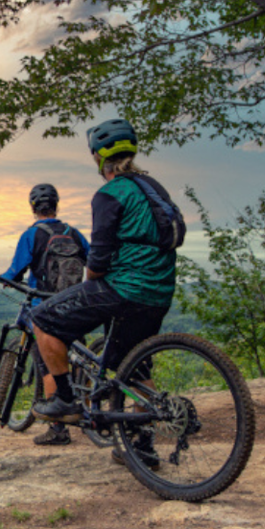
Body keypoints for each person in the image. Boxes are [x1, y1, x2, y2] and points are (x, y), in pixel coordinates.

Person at [29, 119, 178, 468]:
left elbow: (97, 258)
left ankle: (64, 400)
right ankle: (142, 447)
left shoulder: (109, 194)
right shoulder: (153, 187)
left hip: (124, 287)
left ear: (98, 158)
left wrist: (92, 276)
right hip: (159, 290)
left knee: (43, 318)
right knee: (134, 364)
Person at [1, 183, 89, 446]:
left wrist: (1, 279)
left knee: (47, 364)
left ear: (33, 208)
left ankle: (57, 430)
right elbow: (94, 259)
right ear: (56, 205)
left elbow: (15, 271)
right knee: (77, 357)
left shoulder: (32, 235)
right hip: (74, 305)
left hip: (45, 306)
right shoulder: (74, 233)